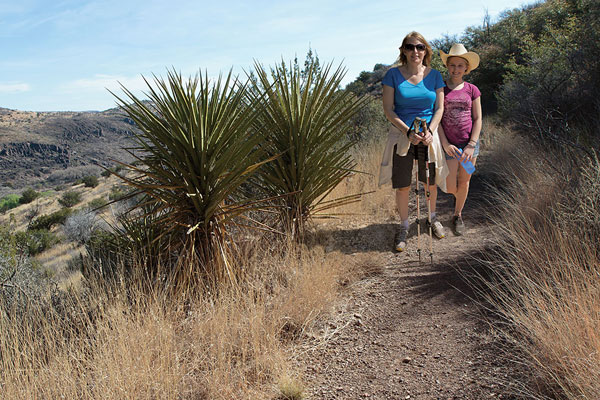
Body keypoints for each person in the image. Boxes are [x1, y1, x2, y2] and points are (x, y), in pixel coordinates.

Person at [379, 31, 448, 252]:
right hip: (402, 135)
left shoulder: (435, 75)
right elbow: (389, 110)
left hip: (428, 135)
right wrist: (407, 131)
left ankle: (432, 218)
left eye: (419, 47)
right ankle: (404, 226)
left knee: (430, 182)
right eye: (410, 47)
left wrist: (431, 131)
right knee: (403, 185)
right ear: (403, 51)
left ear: (425, 50)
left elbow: (439, 108)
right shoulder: (392, 75)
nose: (415, 51)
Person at [438, 44, 482, 236]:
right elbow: (437, 118)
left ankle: (457, 215)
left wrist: (472, 145)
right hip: (450, 146)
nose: (456, 69)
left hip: (470, 147)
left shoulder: (472, 90)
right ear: (448, 66)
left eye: (460, 65)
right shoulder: (440, 89)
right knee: (448, 186)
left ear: (466, 68)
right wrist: (445, 144)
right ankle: (459, 201)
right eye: (452, 65)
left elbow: (478, 118)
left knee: (465, 181)